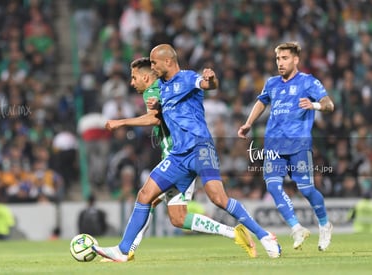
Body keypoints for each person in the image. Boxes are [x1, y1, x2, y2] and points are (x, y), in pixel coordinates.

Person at [94, 44, 281, 262]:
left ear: (168, 62)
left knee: (219, 198)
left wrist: (211, 79)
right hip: (178, 155)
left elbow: (207, 84)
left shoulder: (186, 78)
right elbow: (158, 114)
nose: (152, 67)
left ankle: (265, 235)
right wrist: (157, 106)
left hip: (201, 148)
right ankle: (123, 250)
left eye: (154, 62)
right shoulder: (162, 88)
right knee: (146, 196)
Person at [238, 41, 334, 251]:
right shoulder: (272, 83)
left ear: (296, 59)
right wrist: (249, 123)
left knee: (306, 189)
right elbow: (262, 102)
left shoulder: (308, 82)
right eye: (278, 59)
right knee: (273, 185)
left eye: (285, 58)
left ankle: (325, 224)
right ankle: (296, 228)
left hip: (299, 144)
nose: (280, 63)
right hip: (273, 144)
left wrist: (314, 105)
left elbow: (329, 104)